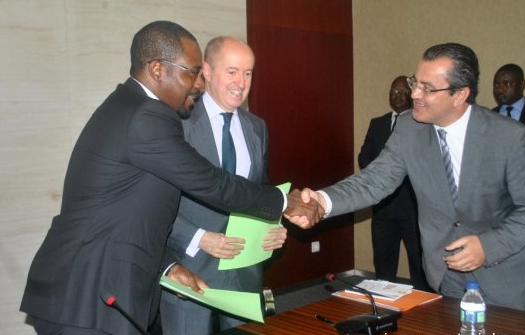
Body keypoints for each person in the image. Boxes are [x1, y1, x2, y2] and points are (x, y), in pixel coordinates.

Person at [20, 21, 319, 335]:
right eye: (192, 72)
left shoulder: (131, 107)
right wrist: (286, 202)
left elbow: (127, 211)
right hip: (87, 294)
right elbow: (212, 184)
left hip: (95, 288)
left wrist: (168, 266)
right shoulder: (147, 116)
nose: (198, 84)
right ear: (158, 69)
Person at [292, 43, 525, 312]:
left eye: (427, 88)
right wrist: (321, 200)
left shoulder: (510, 137)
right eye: (415, 82)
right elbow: (374, 180)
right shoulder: (409, 127)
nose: (414, 94)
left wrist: (487, 246)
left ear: (460, 95)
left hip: (506, 277)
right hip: (445, 275)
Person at [159, 36, 287, 334]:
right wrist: (199, 238)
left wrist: (273, 225)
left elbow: (258, 192)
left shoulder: (257, 127)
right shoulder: (176, 124)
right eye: (232, 71)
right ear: (206, 70)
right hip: (188, 269)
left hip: (244, 273)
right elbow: (154, 203)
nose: (241, 83)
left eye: (248, 73)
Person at [358, 75, 429, 291]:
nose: (396, 96)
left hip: (413, 207)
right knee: (383, 261)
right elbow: (364, 157)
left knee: (419, 264)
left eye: (401, 92)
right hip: (383, 208)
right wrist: (382, 176)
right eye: (393, 91)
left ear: (412, 95)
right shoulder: (377, 123)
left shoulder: (423, 124)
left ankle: (424, 307)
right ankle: (382, 305)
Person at [492, 63, 525, 151]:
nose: (500, 89)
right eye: (497, 84)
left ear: (522, 85)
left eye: (507, 84)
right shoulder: (490, 116)